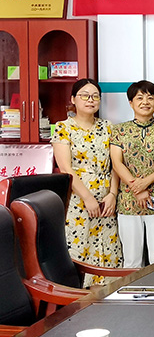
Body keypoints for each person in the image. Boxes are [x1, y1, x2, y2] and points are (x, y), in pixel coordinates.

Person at [51, 79, 122, 286]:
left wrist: (113, 194)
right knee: (80, 249)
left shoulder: (108, 127)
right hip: (78, 201)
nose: (90, 100)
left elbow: (115, 165)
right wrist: (88, 198)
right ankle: (79, 300)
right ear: (73, 99)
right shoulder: (63, 128)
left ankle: (106, 299)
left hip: (106, 202)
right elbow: (66, 168)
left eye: (95, 96)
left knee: (108, 250)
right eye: (84, 95)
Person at [110, 81, 154, 268]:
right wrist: (137, 188)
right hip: (128, 201)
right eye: (139, 98)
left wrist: (145, 183)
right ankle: (132, 288)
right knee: (132, 259)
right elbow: (117, 163)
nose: (145, 102)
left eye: (150, 98)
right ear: (131, 103)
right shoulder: (119, 130)